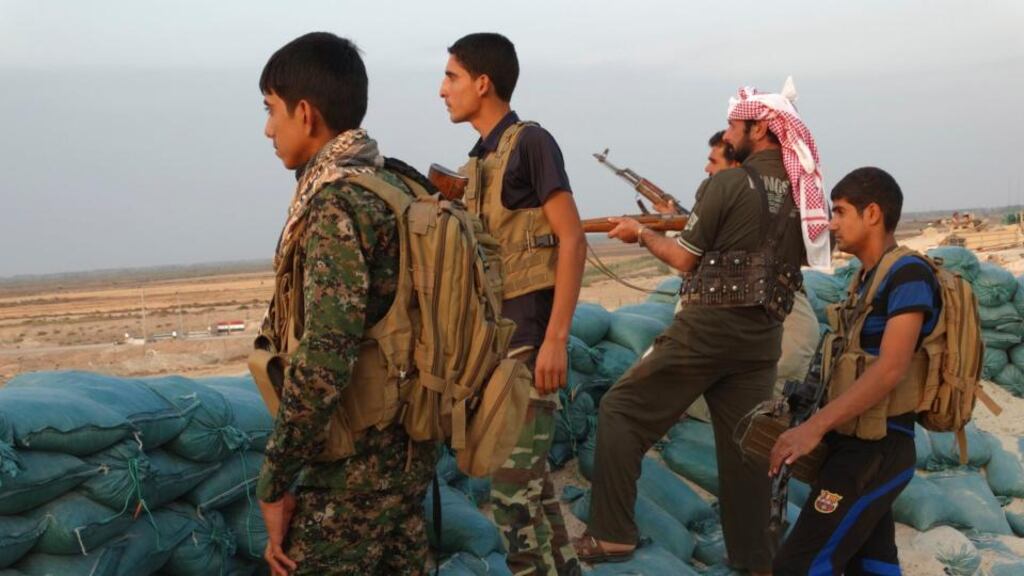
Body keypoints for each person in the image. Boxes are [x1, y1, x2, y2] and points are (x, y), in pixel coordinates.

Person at [574, 80, 826, 576]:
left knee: (621, 409)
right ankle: (758, 562)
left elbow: (684, 260)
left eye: (736, 123)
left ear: (760, 128)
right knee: (745, 450)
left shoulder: (727, 184)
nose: (730, 132)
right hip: (762, 339)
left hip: (709, 330)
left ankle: (611, 535)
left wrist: (641, 232)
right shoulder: (801, 197)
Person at [254, 32, 434, 576]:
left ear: (305, 114)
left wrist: (276, 478)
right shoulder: (398, 186)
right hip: (410, 454)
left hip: (353, 472)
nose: (268, 129)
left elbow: (325, 358)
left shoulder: (336, 204)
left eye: (271, 111)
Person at [440, 32, 587, 576]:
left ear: (483, 83)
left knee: (510, 501)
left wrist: (555, 340)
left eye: (451, 77)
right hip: (500, 349)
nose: (442, 90)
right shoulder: (478, 159)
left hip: (530, 344)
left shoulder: (529, 143)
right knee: (533, 490)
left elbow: (572, 239)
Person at [770, 167, 939, 575]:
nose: (832, 222)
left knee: (799, 566)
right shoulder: (865, 280)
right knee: (872, 563)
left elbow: (890, 369)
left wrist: (811, 430)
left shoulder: (908, 274)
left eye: (840, 211)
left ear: (873, 214)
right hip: (855, 444)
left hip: (879, 449)